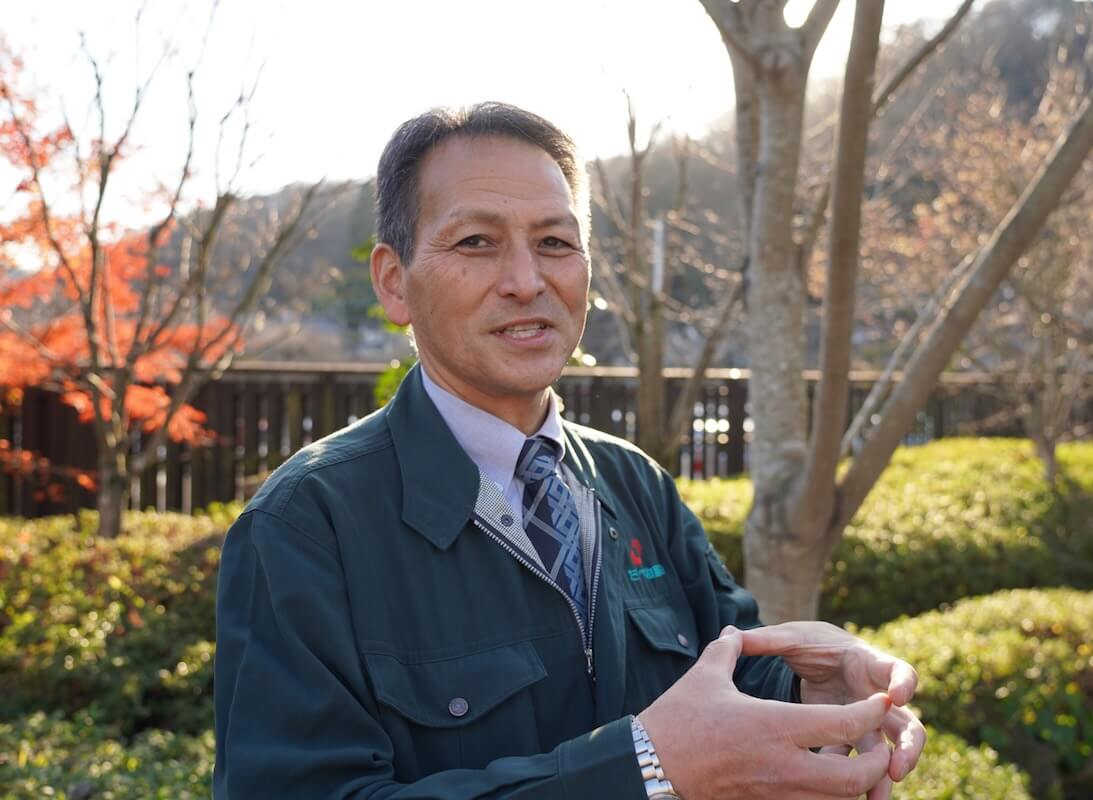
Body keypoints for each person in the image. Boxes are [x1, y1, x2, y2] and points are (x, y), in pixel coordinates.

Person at [213, 102, 926, 800]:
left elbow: (728, 671)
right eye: (476, 242)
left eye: (555, 243)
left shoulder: (633, 481)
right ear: (394, 282)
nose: (527, 280)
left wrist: (808, 690)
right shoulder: (307, 524)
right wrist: (642, 768)